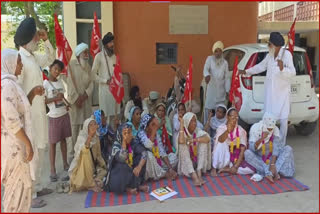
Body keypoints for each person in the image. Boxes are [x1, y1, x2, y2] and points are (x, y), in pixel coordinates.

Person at [14, 17, 55, 208]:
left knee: (40, 149)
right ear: (28, 39)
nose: (37, 39)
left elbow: (51, 58)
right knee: (33, 153)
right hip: (29, 115)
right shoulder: (19, 60)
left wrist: (47, 40)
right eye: (36, 37)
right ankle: (30, 194)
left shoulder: (31, 57)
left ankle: (37, 186)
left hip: (40, 113)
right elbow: (17, 90)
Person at [1, 49, 44, 212]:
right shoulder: (6, 85)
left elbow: (21, 111)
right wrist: (28, 144)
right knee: (15, 192)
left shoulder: (12, 84)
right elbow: (12, 120)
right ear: (9, 63)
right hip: (14, 148)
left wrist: (32, 93)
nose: (21, 65)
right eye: (19, 61)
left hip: (18, 146)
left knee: (22, 190)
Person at [239, 32, 296, 146]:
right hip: (270, 95)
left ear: (275, 44)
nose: (268, 45)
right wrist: (246, 71)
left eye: (269, 43)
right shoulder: (270, 55)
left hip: (282, 96)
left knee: (283, 122)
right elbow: (261, 66)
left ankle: (281, 145)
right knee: (268, 119)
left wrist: (282, 69)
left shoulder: (287, 55)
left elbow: (293, 73)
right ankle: (266, 144)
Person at [245, 112, 295, 183]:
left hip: (273, 159)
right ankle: (273, 172)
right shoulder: (255, 128)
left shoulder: (275, 129)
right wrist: (262, 139)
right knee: (247, 153)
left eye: (271, 128)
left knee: (288, 149)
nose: (270, 130)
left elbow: (276, 149)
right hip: (260, 158)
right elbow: (252, 148)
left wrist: (272, 164)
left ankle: (270, 172)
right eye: (268, 128)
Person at [65, 43, 94, 162]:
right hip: (75, 104)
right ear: (79, 54)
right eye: (85, 52)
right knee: (74, 131)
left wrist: (85, 95)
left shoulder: (88, 66)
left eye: (87, 52)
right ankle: (72, 157)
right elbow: (69, 84)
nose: (87, 54)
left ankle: (84, 155)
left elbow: (92, 83)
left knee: (85, 128)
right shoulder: (71, 65)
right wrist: (77, 99)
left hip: (85, 102)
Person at [44, 60, 71, 182]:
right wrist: (55, 98)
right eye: (55, 69)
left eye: (59, 70)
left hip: (63, 114)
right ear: (50, 68)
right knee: (53, 143)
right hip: (54, 116)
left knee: (64, 140)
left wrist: (67, 103)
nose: (56, 72)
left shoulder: (60, 82)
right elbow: (44, 101)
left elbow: (62, 96)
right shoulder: (45, 84)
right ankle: (52, 170)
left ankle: (65, 164)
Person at [104, 123, 149, 194]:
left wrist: (139, 167)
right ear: (121, 135)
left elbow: (144, 153)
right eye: (127, 133)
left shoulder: (132, 142)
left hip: (129, 173)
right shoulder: (116, 146)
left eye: (130, 132)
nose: (131, 135)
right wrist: (124, 142)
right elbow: (122, 158)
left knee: (140, 159)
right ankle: (127, 189)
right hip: (117, 177)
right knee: (122, 166)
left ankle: (136, 185)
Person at [211, 108, 255, 177]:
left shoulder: (241, 131)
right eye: (232, 117)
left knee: (251, 169)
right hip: (224, 157)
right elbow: (219, 142)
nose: (235, 119)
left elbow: (242, 150)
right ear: (227, 117)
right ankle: (214, 167)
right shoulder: (222, 128)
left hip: (235, 159)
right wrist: (227, 131)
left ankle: (228, 169)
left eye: (237, 117)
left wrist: (236, 166)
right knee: (221, 143)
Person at [69, 117, 107, 193]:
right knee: (86, 153)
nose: (93, 127)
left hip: (92, 167)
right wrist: (89, 136)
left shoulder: (96, 138)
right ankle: (90, 184)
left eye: (95, 124)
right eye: (90, 125)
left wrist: (103, 165)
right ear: (86, 127)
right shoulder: (81, 137)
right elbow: (81, 153)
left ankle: (95, 180)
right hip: (80, 168)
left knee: (104, 170)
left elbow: (98, 156)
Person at [134, 114, 178, 181]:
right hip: (145, 164)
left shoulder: (156, 134)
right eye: (153, 124)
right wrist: (154, 130)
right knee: (149, 155)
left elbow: (162, 151)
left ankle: (161, 172)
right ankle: (164, 174)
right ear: (146, 127)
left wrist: (170, 168)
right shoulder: (141, 133)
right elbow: (148, 145)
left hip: (157, 160)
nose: (155, 126)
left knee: (173, 157)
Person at [92, 32, 120, 123]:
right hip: (104, 92)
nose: (112, 44)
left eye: (113, 42)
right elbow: (93, 75)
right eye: (110, 42)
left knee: (114, 117)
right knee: (105, 117)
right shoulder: (99, 56)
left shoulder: (114, 57)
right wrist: (105, 81)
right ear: (105, 44)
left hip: (114, 92)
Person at [177, 112, 211, 186]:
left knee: (203, 142)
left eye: (195, 121)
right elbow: (181, 141)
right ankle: (194, 176)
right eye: (191, 121)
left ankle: (199, 172)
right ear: (187, 122)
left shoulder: (197, 131)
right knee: (183, 145)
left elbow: (207, 139)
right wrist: (182, 123)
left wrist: (194, 140)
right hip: (187, 165)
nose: (194, 123)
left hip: (197, 161)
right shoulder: (182, 133)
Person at [203, 41, 230, 125]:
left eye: (219, 51)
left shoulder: (225, 63)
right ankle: (206, 129)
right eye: (216, 51)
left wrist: (227, 90)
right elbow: (205, 69)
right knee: (209, 110)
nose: (218, 53)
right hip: (211, 91)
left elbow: (227, 78)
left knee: (220, 112)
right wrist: (207, 75)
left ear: (222, 52)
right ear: (213, 51)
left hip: (221, 92)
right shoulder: (209, 59)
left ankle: (218, 131)